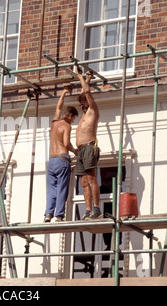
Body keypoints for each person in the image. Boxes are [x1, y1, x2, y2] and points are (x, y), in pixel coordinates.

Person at [44, 86, 79, 223]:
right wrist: (75, 151)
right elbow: (66, 143)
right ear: (70, 115)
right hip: (62, 159)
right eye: (74, 118)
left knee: (52, 189)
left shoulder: (54, 123)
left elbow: (58, 107)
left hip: (51, 160)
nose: (73, 121)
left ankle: (48, 214)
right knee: (62, 188)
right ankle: (59, 215)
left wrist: (64, 92)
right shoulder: (66, 125)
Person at [75, 68, 101, 220]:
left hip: (90, 148)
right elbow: (82, 93)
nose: (81, 105)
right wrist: (87, 79)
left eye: (83, 102)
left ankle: (96, 208)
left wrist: (80, 76)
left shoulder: (93, 110)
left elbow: (87, 93)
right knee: (84, 182)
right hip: (80, 151)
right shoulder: (84, 115)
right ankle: (88, 209)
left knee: (91, 179)